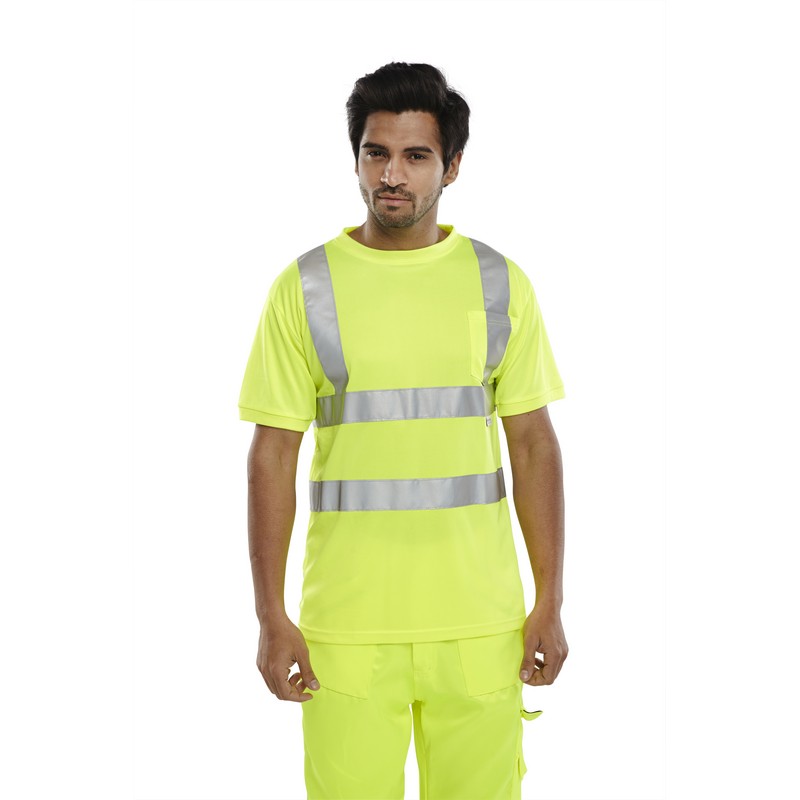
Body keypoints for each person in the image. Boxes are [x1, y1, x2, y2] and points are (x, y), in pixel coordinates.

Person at [239, 62, 567, 800]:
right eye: (375, 153)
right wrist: (270, 615)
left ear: (452, 166)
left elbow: (534, 444)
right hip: (346, 632)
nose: (392, 175)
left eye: (416, 155)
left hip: (480, 626)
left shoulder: (499, 282)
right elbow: (271, 458)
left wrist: (549, 599)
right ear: (355, 158)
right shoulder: (305, 288)